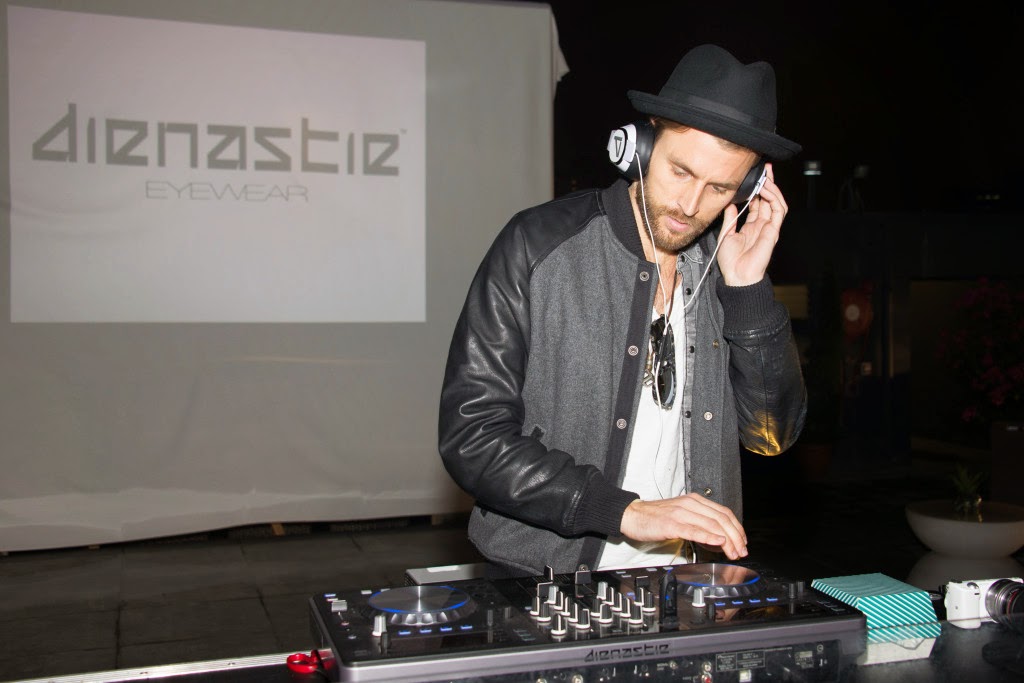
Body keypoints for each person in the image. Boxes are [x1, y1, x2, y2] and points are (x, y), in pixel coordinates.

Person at [438, 44, 806, 577]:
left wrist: (747, 290)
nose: (690, 205)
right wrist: (623, 512)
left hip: (690, 582)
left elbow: (773, 435)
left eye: (720, 188)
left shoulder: (728, 270)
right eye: (681, 171)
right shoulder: (537, 246)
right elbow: (471, 435)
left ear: (748, 189)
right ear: (641, 143)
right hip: (546, 579)